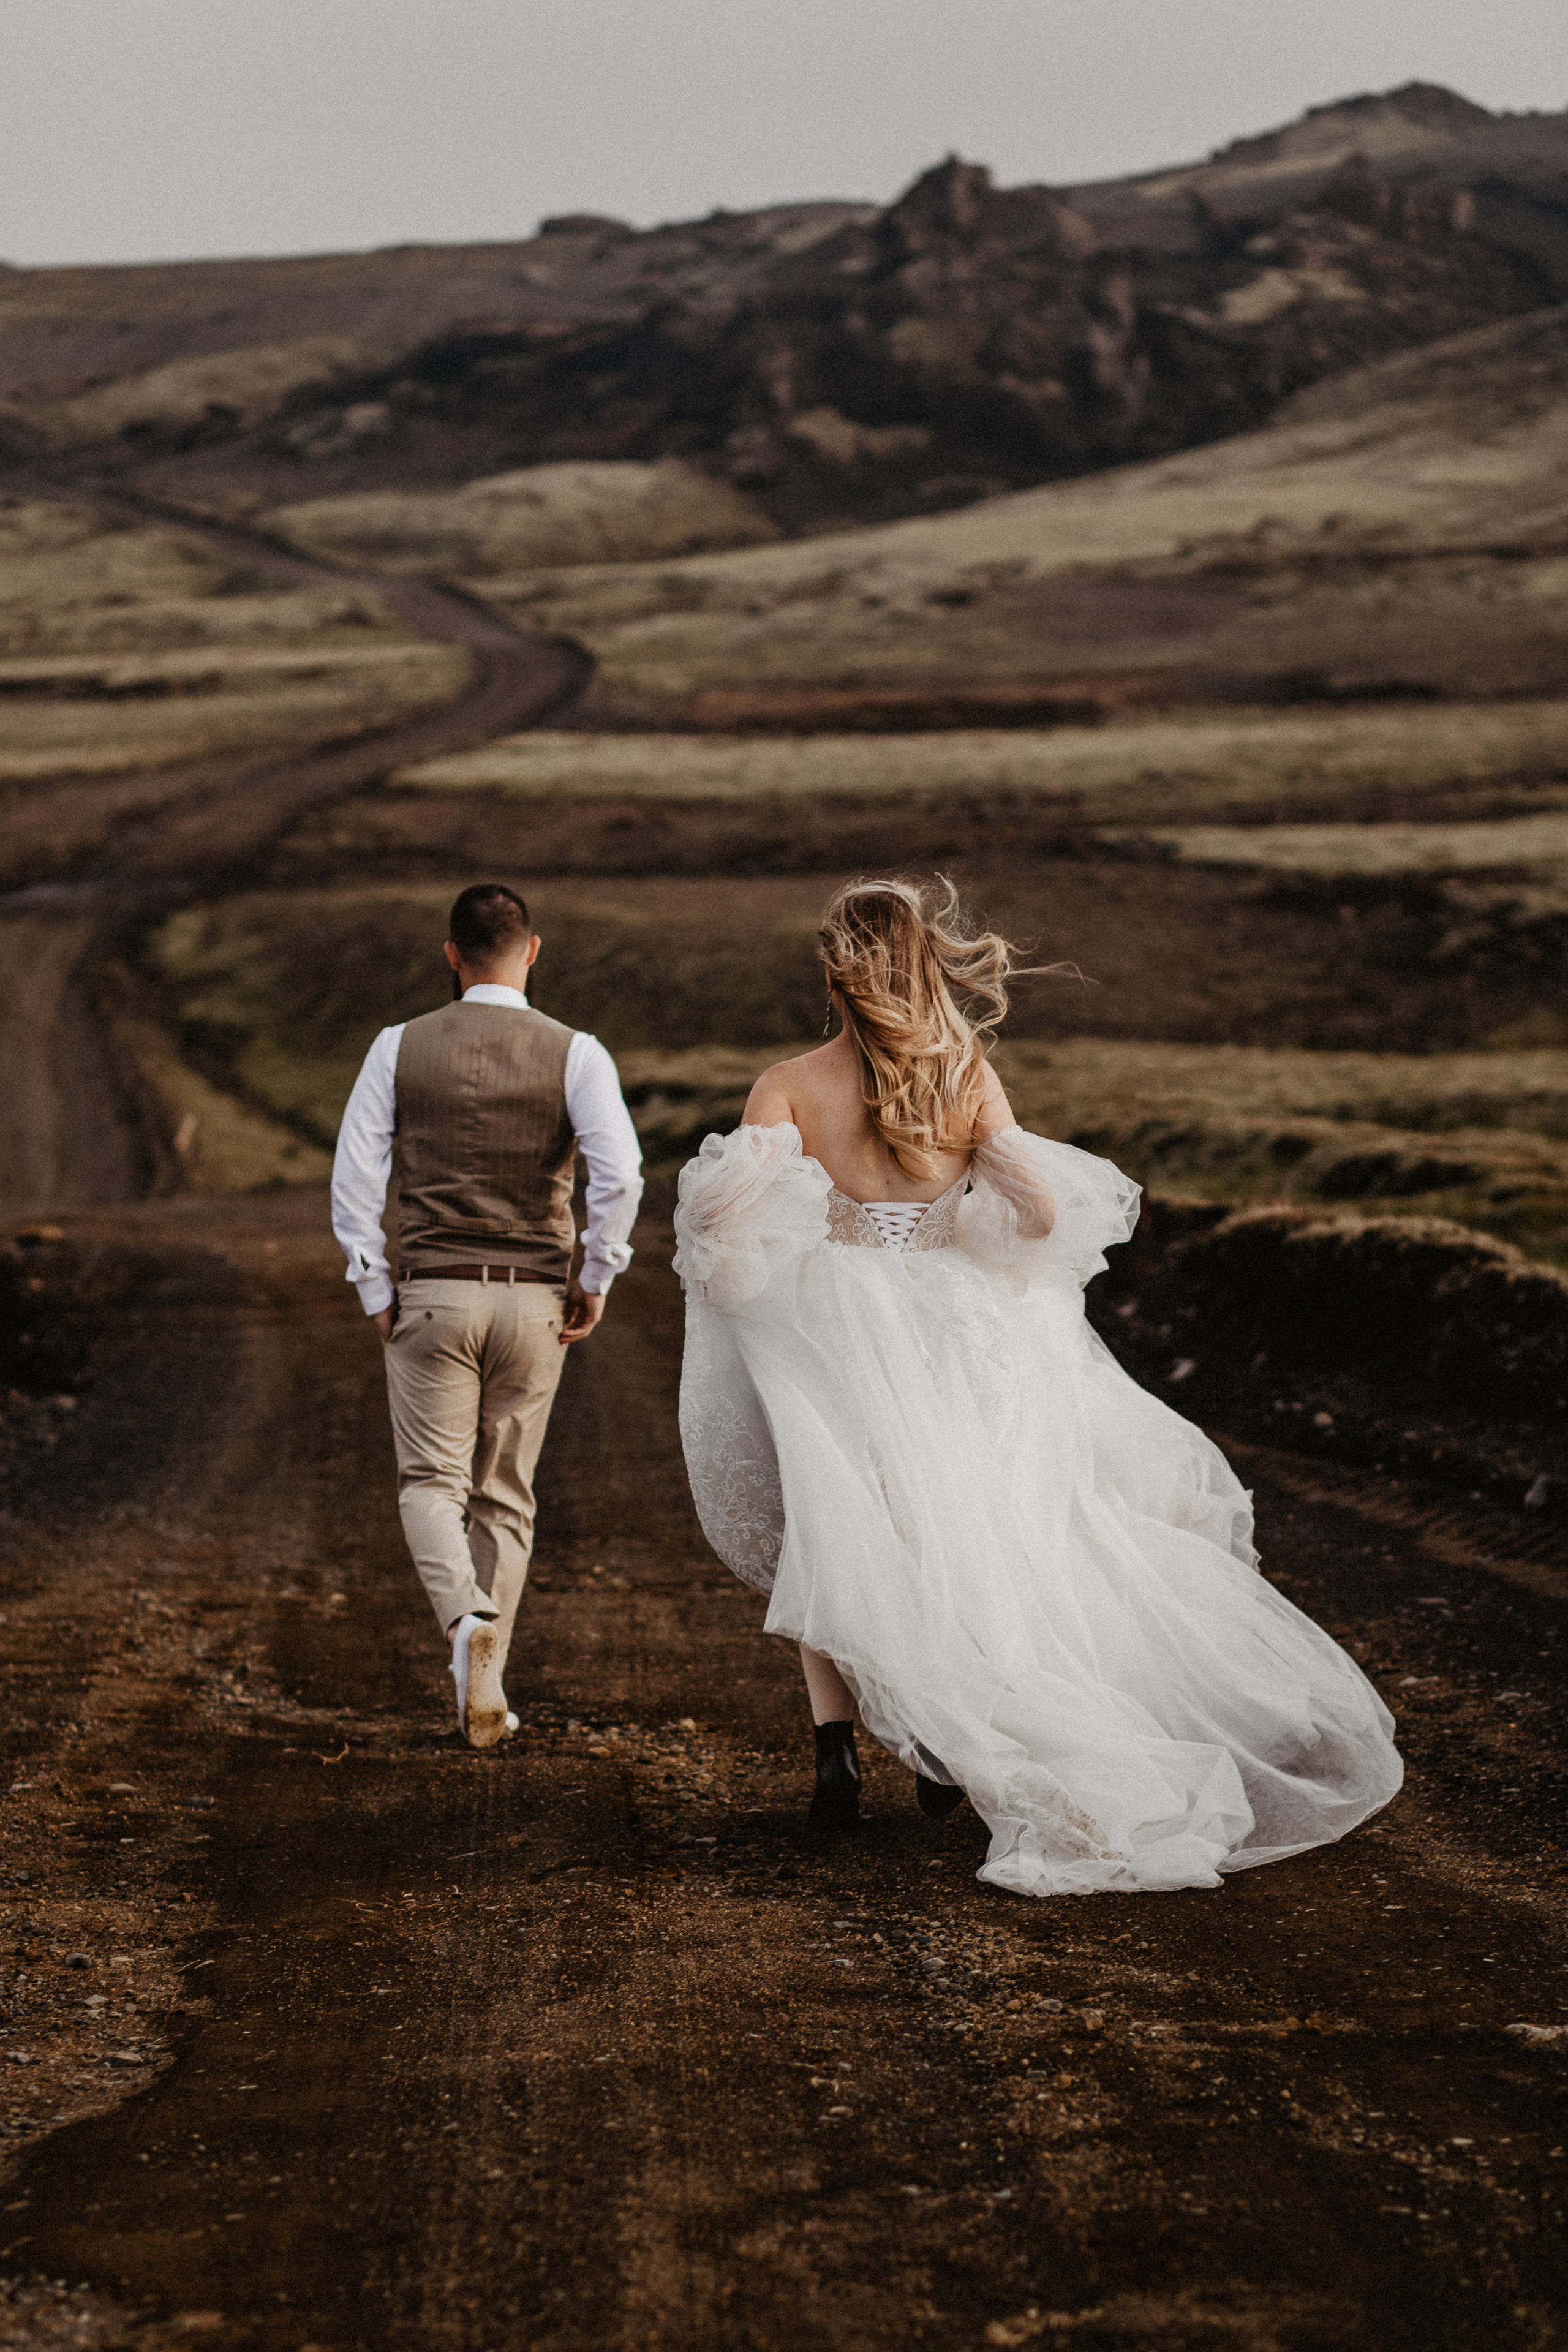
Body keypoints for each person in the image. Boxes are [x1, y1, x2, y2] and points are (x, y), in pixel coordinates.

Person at [673, 877, 1401, 1896]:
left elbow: (716, 1222)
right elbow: (1047, 1212)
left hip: (837, 1328)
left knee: (843, 1528)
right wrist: (974, 1233)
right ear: (924, 964)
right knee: (964, 1526)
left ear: (833, 972)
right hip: (954, 1327)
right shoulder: (963, 1073)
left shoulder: (788, 1083)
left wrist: (792, 1238)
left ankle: (838, 1752)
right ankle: (942, 1747)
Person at [331, 882, 643, 1746]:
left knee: (431, 1485)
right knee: (505, 1492)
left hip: (433, 1291)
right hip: (536, 1299)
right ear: (532, 950)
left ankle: (468, 1621)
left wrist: (374, 1288)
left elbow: (355, 1180)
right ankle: (488, 1682)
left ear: (451, 955)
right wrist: (599, 1273)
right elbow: (620, 1176)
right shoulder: (577, 1052)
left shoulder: (397, 1047)